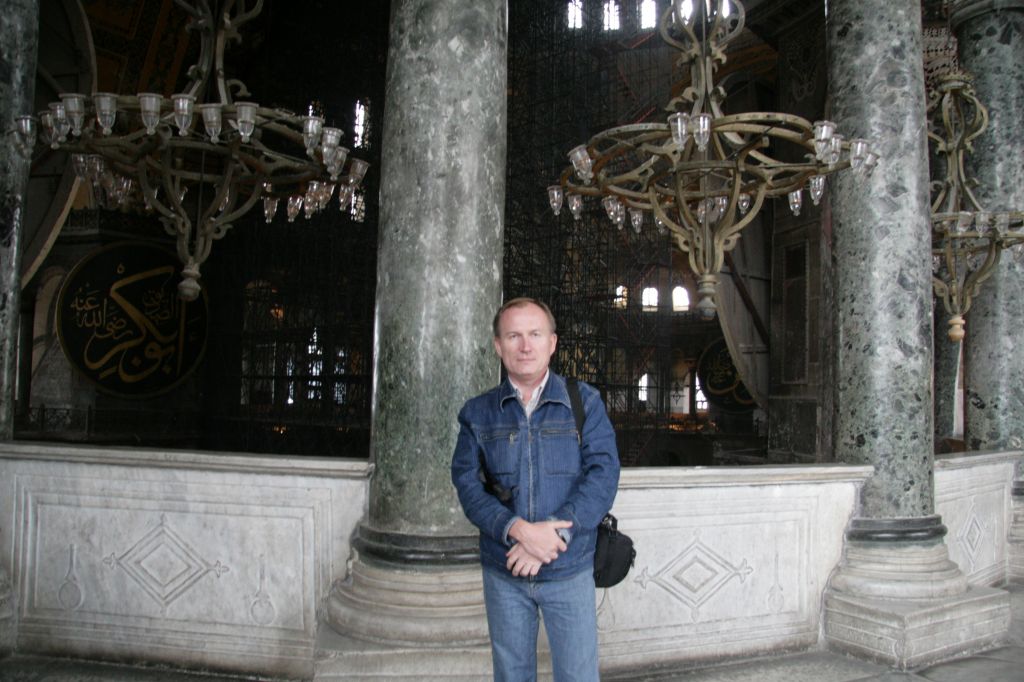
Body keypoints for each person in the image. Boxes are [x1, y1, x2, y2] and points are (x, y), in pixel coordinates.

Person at [451, 297, 620, 681]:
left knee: (578, 676)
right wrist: (518, 530)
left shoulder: (584, 403)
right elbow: (467, 483)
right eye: (513, 336)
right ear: (498, 345)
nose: (525, 346)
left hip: (569, 567)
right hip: (505, 571)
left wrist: (555, 534)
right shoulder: (477, 413)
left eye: (535, 334)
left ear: (552, 343)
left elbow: (603, 474)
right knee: (512, 676)